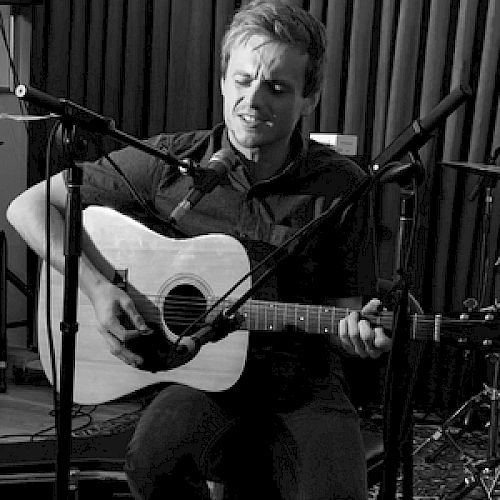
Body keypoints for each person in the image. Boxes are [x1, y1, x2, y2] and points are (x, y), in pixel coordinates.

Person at [7, 1, 392, 498]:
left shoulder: (342, 184)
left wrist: (359, 333)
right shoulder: (172, 162)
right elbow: (30, 207)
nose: (253, 99)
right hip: (202, 379)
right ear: (223, 81)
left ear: (309, 97)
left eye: (276, 87)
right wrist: (98, 288)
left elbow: (347, 310)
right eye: (242, 79)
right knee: (151, 464)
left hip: (304, 387)